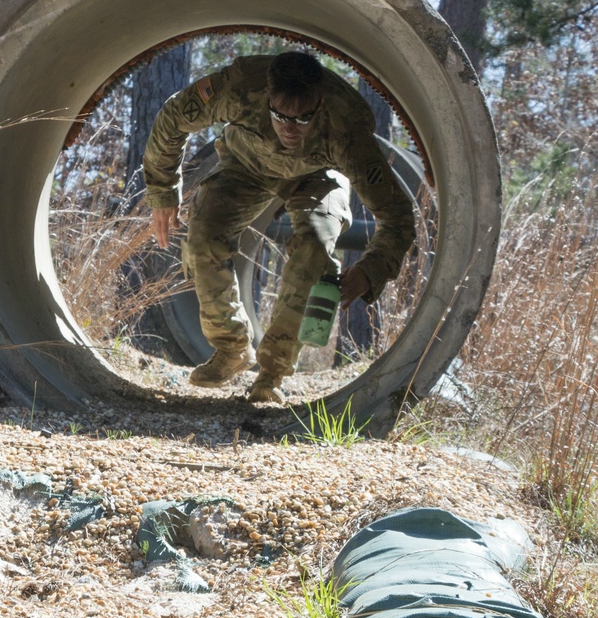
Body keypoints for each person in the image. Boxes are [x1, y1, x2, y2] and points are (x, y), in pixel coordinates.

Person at [143, 50, 416, 403]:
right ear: (267, 97)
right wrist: (163, 189)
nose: (290, 128)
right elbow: (173, 117)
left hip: (317, 174)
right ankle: (231, 348)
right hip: (246, 164)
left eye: (303, 119)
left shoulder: (347, 127)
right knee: (202, 239)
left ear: (319, 103)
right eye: (280, 116)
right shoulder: (239, 88)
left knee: (315, 251)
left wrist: (371, 270)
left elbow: (397, 216)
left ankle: (271, 375)